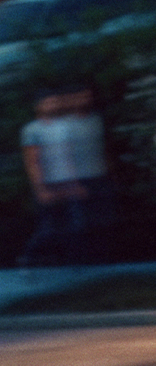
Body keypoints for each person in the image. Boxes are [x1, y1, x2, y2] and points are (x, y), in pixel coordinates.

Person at [20, 85, 113, 265]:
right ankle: (27, 259)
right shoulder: (32, 129)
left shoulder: (63, 126)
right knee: (48, 227)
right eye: (47, 103)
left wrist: (75, 182)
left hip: (67, 182)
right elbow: (32, 161)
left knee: (76, 224)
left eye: (54, 102)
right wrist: (40, 189)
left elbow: (69, 157)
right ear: (38, 106)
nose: (52, 105)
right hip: (48, 183)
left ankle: (76, 262)